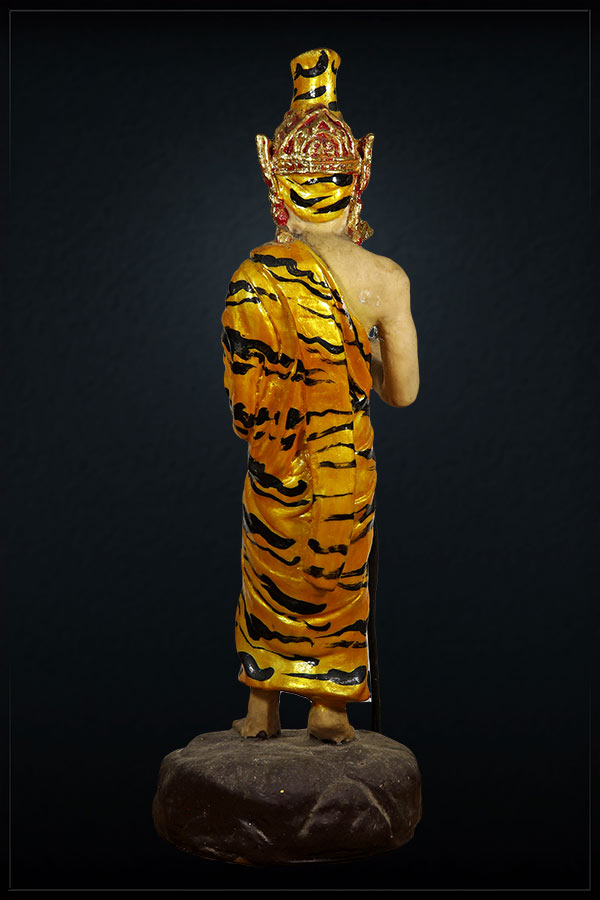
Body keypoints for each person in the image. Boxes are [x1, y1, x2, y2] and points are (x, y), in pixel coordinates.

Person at [221, 48, 419, 743]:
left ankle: (261, 704)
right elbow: (403, 393)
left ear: (275, 182)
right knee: (337, 573)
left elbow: (244, 406)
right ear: (359, 178)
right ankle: (330, 708)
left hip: (276, 463)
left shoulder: (254, 275)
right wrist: (359, 355)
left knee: (270, 568)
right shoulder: (385, 279)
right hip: (343, 465)